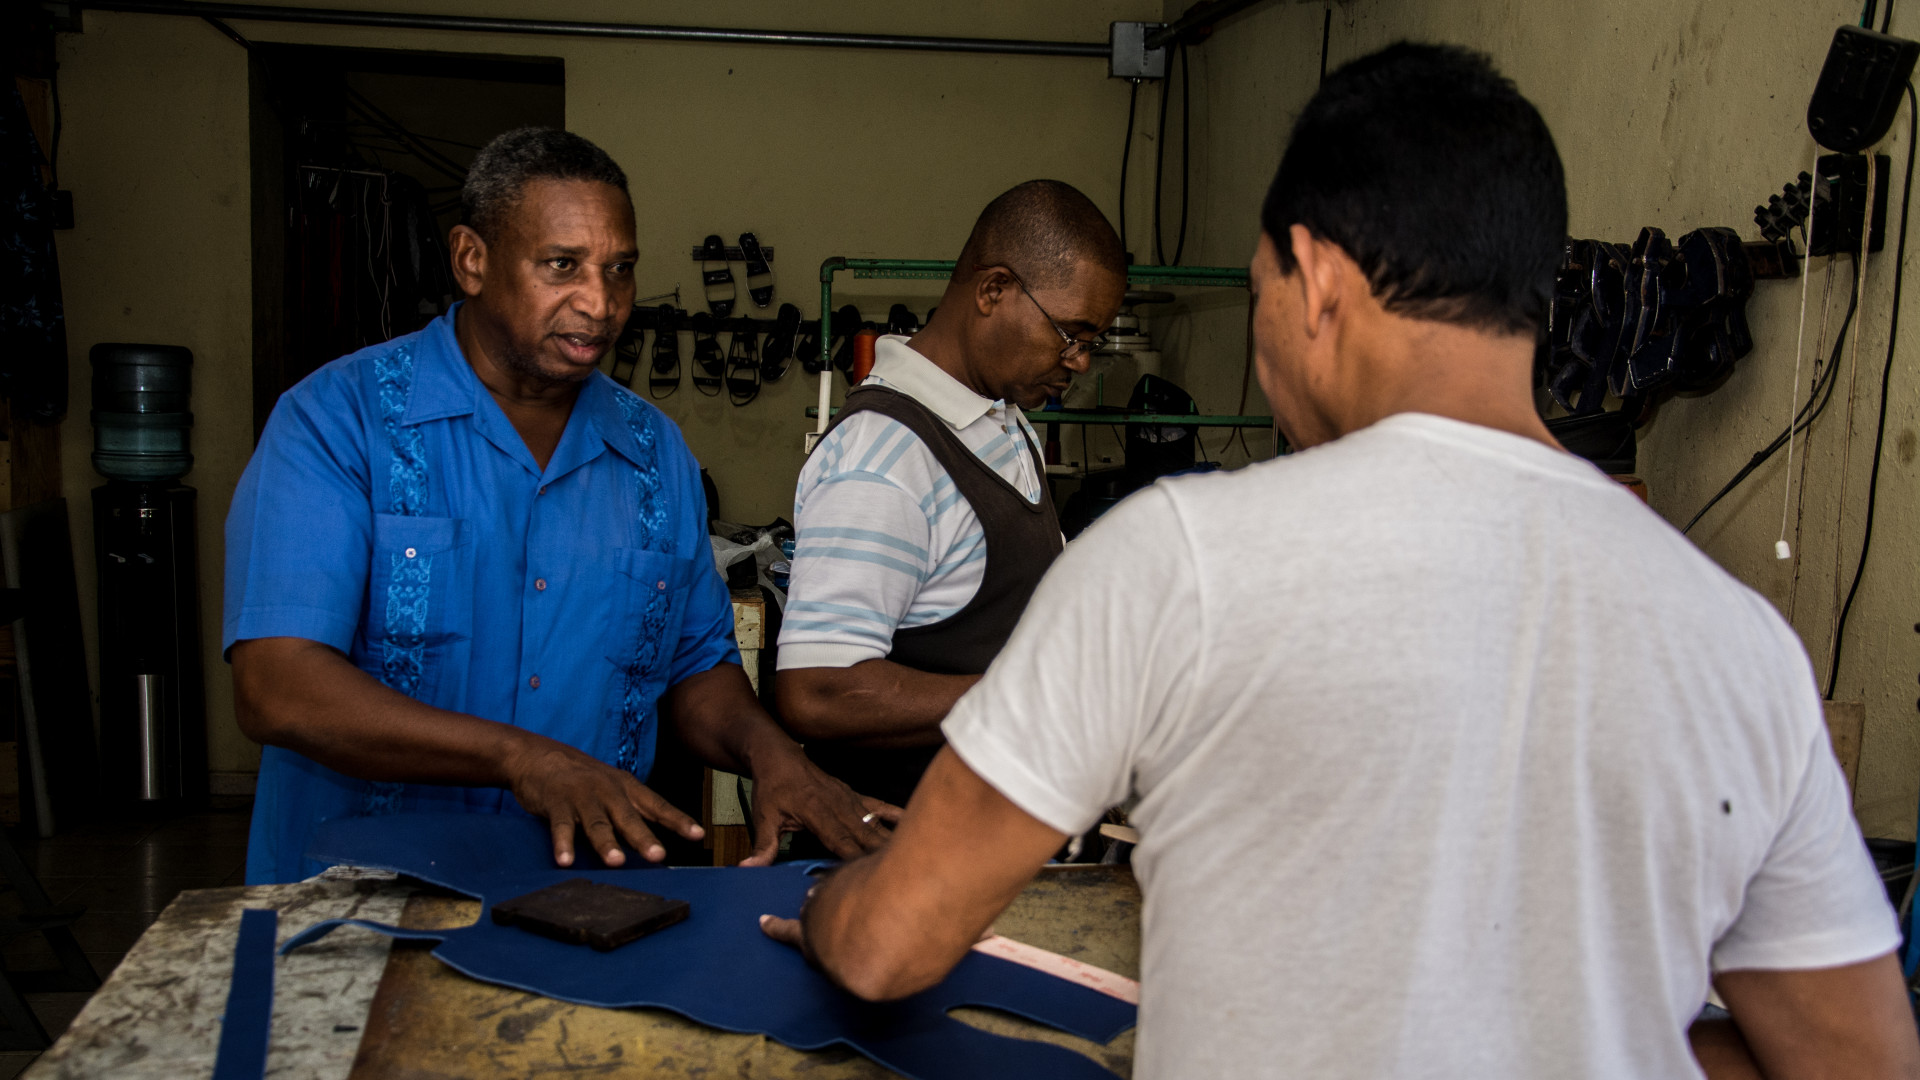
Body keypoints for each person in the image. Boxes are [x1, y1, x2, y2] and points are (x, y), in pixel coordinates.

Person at [761, 45, 1920, 1079]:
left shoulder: (1175, 563)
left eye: (1257, 288)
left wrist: (829, 910)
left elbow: (888, 946)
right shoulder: (1739, 641)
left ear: (1313, 279)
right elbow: (1855, 1059)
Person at [227, 127, 895, 885]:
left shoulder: (655, 454)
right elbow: (277, 687)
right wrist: (521, 758)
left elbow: (694, 664)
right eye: (562, 265)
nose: (600, 303)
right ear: (472, 260)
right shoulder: (337, 421)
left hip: (580, 895)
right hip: (361, 898)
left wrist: (775, 757)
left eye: (620, 270)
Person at [774, 180, 1125, 809]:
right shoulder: (883, 459)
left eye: (1091, 343)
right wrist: (1026, 695)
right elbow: (818, 691)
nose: (1079, 361)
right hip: (909, 842)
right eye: (1070, 333)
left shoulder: (1003, 418)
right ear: (993, 290)